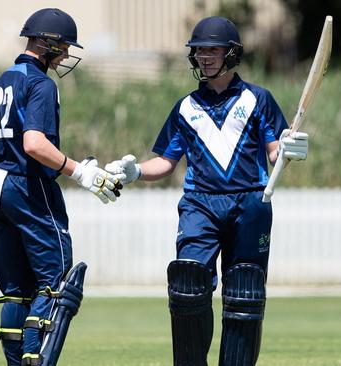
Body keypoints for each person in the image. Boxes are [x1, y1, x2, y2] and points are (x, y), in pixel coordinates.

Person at [105, 16, 309, 366]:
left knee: (244, 290)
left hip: (251, 202)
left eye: (212, 49)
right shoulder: (186, 107)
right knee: (188, 282)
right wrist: (136, 170)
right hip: (200, 204)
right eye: (198, 50)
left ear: (231, 53)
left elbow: (275, 152)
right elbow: (166, 162)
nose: (204, 56)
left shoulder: (259, 99)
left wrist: (290, 149)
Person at [0, 8, 122, 366]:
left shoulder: (4, 79)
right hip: (29, 186)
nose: (64, 55)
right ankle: (37, 359)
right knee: (55, 279)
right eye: (62, 48)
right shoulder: (40, 83)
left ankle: (17, 362)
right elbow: (34, 143)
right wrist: (80, 173)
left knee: (16, 290)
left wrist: (8, 180)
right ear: (48, 44)